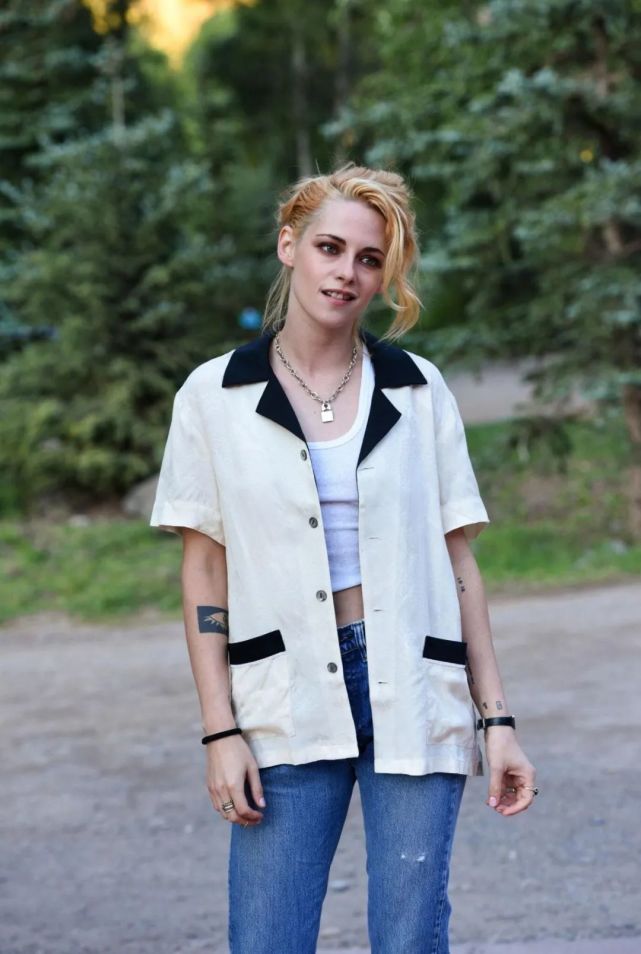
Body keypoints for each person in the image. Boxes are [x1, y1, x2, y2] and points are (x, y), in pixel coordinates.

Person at [150, 162, 537, 954]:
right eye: (329, 248)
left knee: (409, 937)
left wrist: (495, 719)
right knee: (267, 938)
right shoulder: (212, 397)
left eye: (369, 260)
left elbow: (458, 564)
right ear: (288, 246)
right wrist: (219, 731)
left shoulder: (418, 391)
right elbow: (204, 570)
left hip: (414, 683)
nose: (346, 273)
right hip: (282, 692)